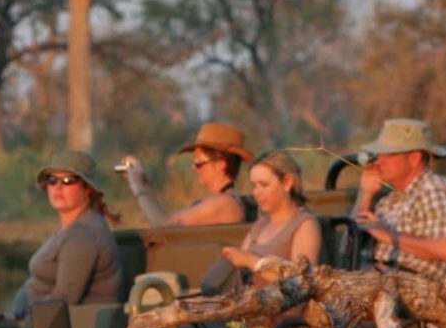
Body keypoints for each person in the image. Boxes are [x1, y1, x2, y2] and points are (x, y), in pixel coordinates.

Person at [9, 150, 124, 317]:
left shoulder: (82, 235)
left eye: (68, 180)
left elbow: (63, 301)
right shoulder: (70, 228)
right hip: (37, 322)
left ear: (87, 189)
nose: (58, 187)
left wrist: (23, 317)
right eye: (52, 180)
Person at [351, 118, 446, 273]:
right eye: (378, 154)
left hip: (415, 285)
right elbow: (348, 248)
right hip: (376, 278)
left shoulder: (433, 189)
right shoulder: (389, 200)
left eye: (389, 154)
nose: (378, 161)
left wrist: (387, 234)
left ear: (414, 158)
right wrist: (366, 194)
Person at [217, 150, 322, 288]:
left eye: (264, 184)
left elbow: (300, 282)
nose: (256, 193)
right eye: (254, 185)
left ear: (287, 182)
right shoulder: (261, 224)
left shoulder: (304, 225)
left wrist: (252, 262)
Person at [119, 122, 251, 228]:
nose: (194, 168)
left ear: (220, 165)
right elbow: (167, 221)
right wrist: (146, 184)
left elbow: (164, 226)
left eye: (199, 163)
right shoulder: (224, 201)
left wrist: (138, 186)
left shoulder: (224, 203)